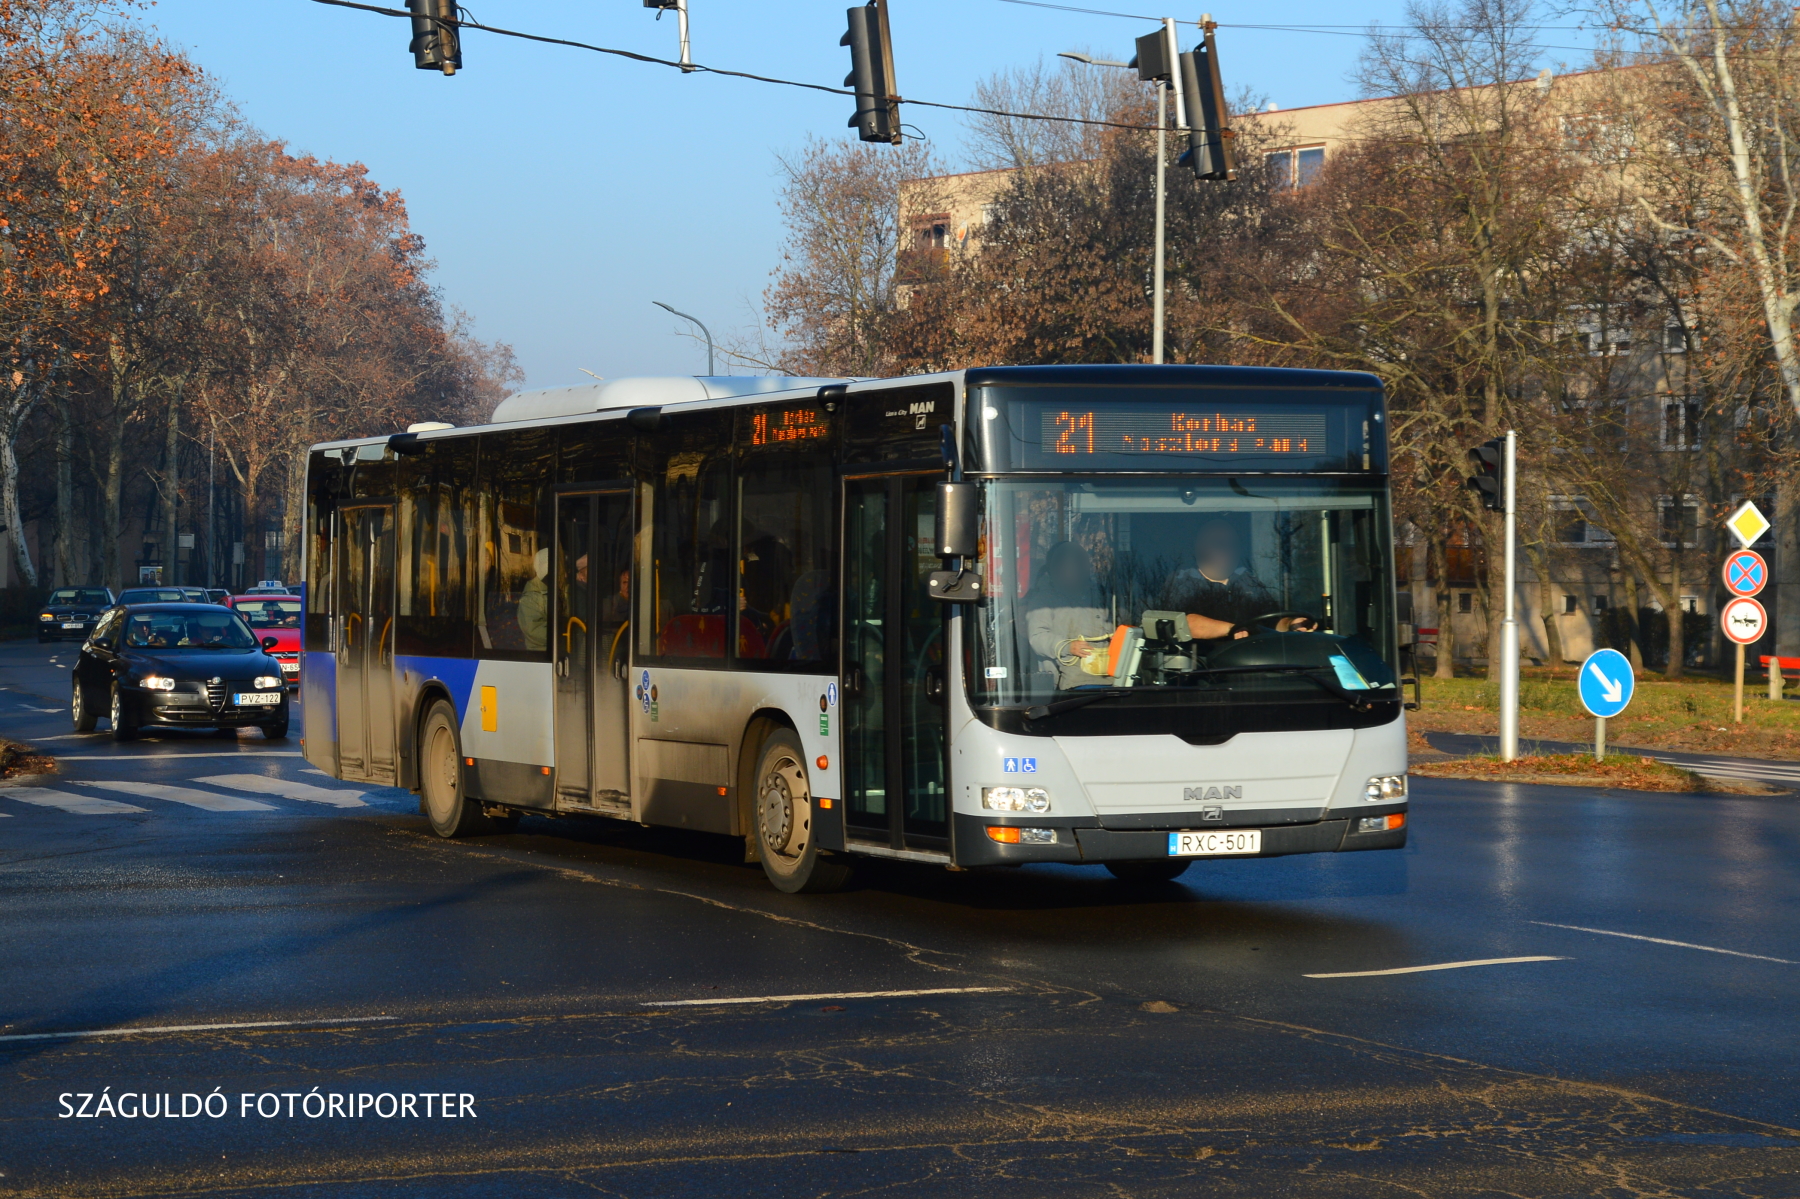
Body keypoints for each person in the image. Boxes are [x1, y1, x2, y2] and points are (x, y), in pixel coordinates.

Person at [1160, 517, 1316, 641]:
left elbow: (1272, 621)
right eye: (1217, 543)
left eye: (1230, 543)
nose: (1225, 548)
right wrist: (1233, 629)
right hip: (1200, 670)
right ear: (1197, 547)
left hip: (1249, 668)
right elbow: (1185, 623)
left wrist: (1291, 624)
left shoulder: (1249, 582)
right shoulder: (1181, 581)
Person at [1024, 541, 1114, 689]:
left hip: (1115, 678)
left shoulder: (1102, 594)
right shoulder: (1043, 599)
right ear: (1054, 569)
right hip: (1071, 683)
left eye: (1079, 563)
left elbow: (1123, 621)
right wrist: (1067, 647)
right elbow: (1037, 637)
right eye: (1067, 565)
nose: (1074, 569)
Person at [518, 547, 550, 652]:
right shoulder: (531, 597)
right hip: (542, 653)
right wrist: (565, 634)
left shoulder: (563, 588)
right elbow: (534, 630)